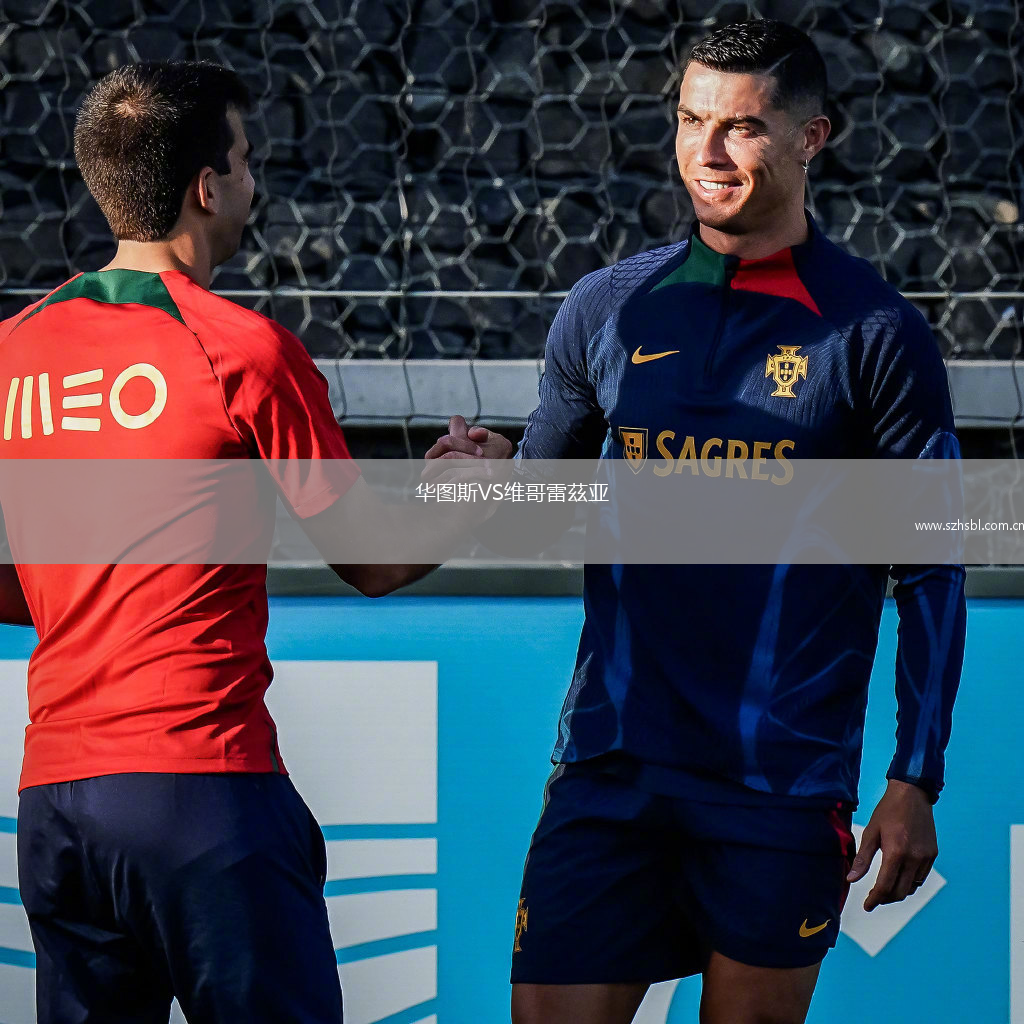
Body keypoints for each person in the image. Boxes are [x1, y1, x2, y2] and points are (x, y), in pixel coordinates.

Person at [427, 19, 966, 1024]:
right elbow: (541, 511)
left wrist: (915, 778)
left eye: (742, 127)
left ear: (811, 137)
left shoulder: (877, 333)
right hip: (611, 766)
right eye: (689, 120)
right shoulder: (607, 306)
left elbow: (931, 568)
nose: (706, 152)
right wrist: (494, 479)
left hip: (778, 785)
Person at [0, 60, 464, 1024]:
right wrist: (475, 495)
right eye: (246, 160)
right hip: (201, 793)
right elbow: (373, 560)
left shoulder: (16, 352)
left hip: (56, 803)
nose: (254, 179)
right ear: (208, 188)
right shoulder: (240, 348)